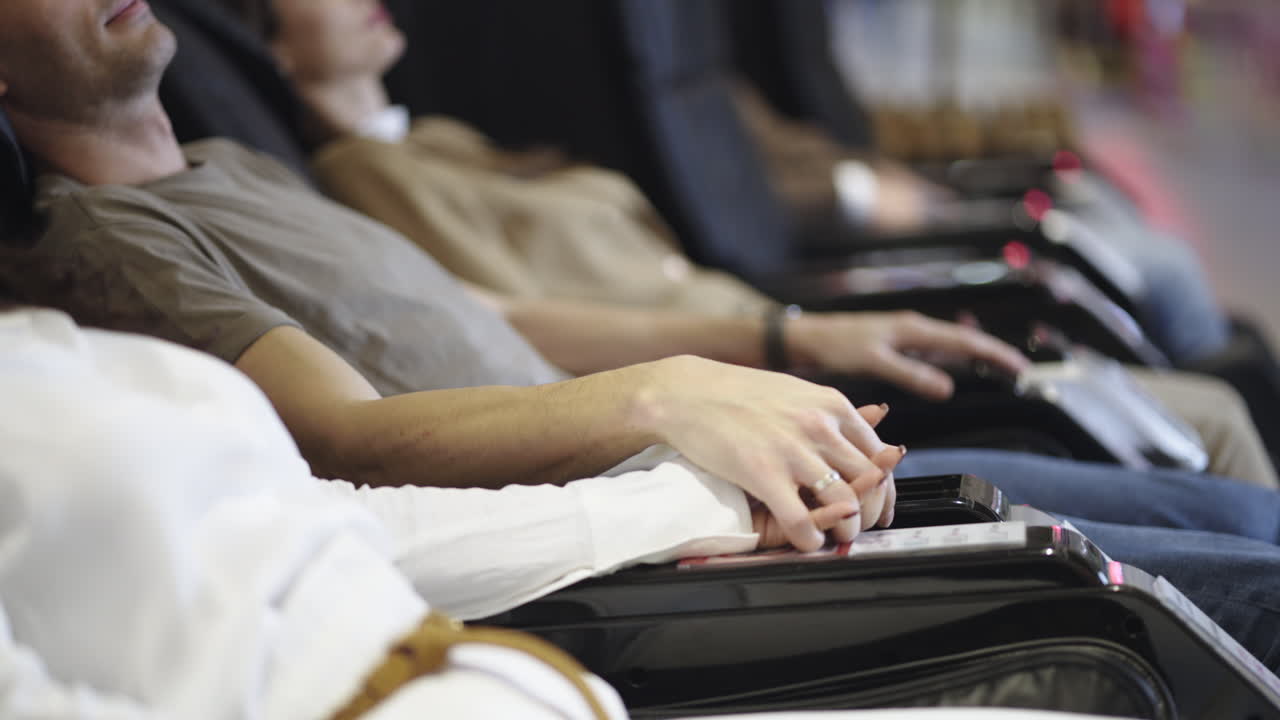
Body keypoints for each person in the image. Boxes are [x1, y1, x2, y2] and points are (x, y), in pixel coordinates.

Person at [0, 0, 1275, 563]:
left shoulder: (226, 161)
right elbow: (339, 432)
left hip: (732, 444)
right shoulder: (104, 241)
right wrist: (658, 392)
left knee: (1237, 510)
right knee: (1243, 554)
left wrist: (779, 331)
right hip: (673, 518)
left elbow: (482, 312)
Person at [3, 308, 1280, 719]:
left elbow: (341, 508)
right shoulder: (133, 249)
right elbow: (344, 438)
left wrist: (699, 480)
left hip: (582, 589)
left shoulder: (64, 336)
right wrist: (671, 410)